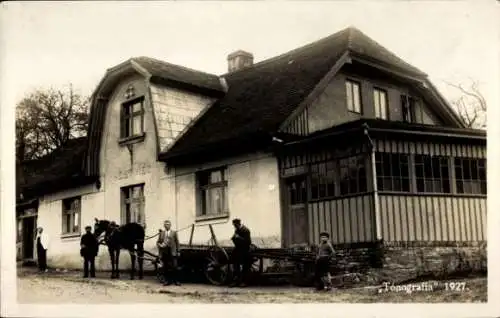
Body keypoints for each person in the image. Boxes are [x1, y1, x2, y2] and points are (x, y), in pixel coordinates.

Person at [156, 220, 181, 286]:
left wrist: (178, 251)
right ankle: (167, 281)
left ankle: (176, 281)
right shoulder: (161, 233)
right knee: (166, 267)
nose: (167, 225)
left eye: (168, 224)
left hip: (172, 252)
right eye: (166, 224)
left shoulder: (174, 233)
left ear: (170, 225)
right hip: (165, 252)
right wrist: (160, 245)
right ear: (164, 226)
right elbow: (158, 242)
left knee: (175, 267)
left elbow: (177, 242)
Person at [230, 218, 252, 287]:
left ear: (238, 224)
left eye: (235, 225)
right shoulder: (237, 230)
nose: (234, 226)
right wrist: (234, 238)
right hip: (238, 249)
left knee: (245, 266)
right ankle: (236, 281)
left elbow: (248, 242)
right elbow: (235, 239)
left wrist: (239, 237)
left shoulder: (246, 230)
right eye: (234, 225)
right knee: (235, 265)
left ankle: (244, 282)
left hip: (245, 250)